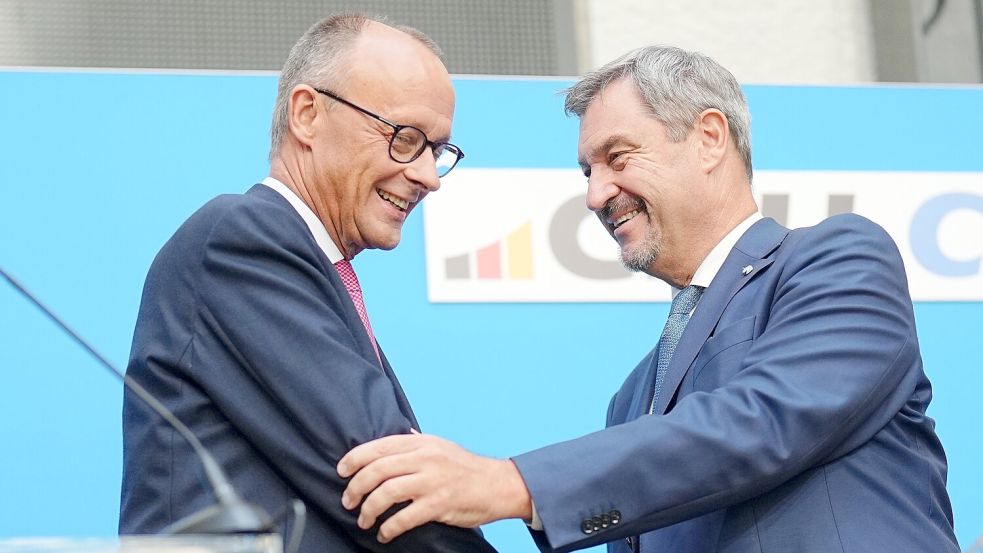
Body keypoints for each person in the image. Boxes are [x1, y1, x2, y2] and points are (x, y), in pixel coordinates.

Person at [336, 45, 960, 553]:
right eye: (587, 172)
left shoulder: (838, 259)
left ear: (710, 138)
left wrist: (511, 482)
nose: (596, 194)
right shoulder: (633, 398)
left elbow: (763, 421)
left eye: (617, 157)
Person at [119, 14, 496, 553]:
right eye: (406, 138)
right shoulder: (243, 239)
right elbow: (385, 477)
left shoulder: (308, 265)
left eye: (436, 150)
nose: (429, 177)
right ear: (308, 114)